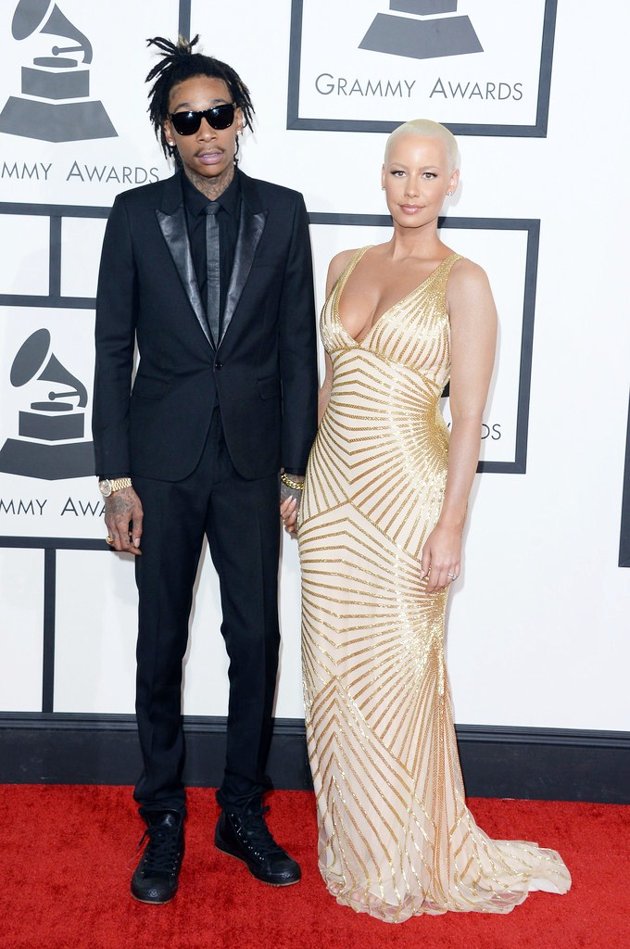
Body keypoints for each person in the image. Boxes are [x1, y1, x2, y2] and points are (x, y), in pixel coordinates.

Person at [283, 119, 571, 922]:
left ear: (452, 184)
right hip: (335, 500)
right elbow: (328, 390)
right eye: (398, 173)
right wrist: (302, 479)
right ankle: (352, 840)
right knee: (332, 674)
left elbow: (470, 420)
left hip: (408, 499)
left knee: (398, 675)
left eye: (427, 174)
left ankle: (402, 850)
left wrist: (452, 525)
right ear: (382, 179)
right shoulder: (342, 266)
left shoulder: (465, 281)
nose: (411, 189)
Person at [92, 35, 318, 904]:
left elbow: (298, 351)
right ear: (168, 132)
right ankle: (164, 816)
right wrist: (116, 479)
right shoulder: (131, 216)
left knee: (254, 639)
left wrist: (294, 470)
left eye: (219, 113)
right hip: (162, 465)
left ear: (241, 118)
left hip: (253, 465)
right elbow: (113, 350)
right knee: (161, 642)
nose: (207, 131)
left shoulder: (287, 212)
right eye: (187, 120)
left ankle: (240, 809)